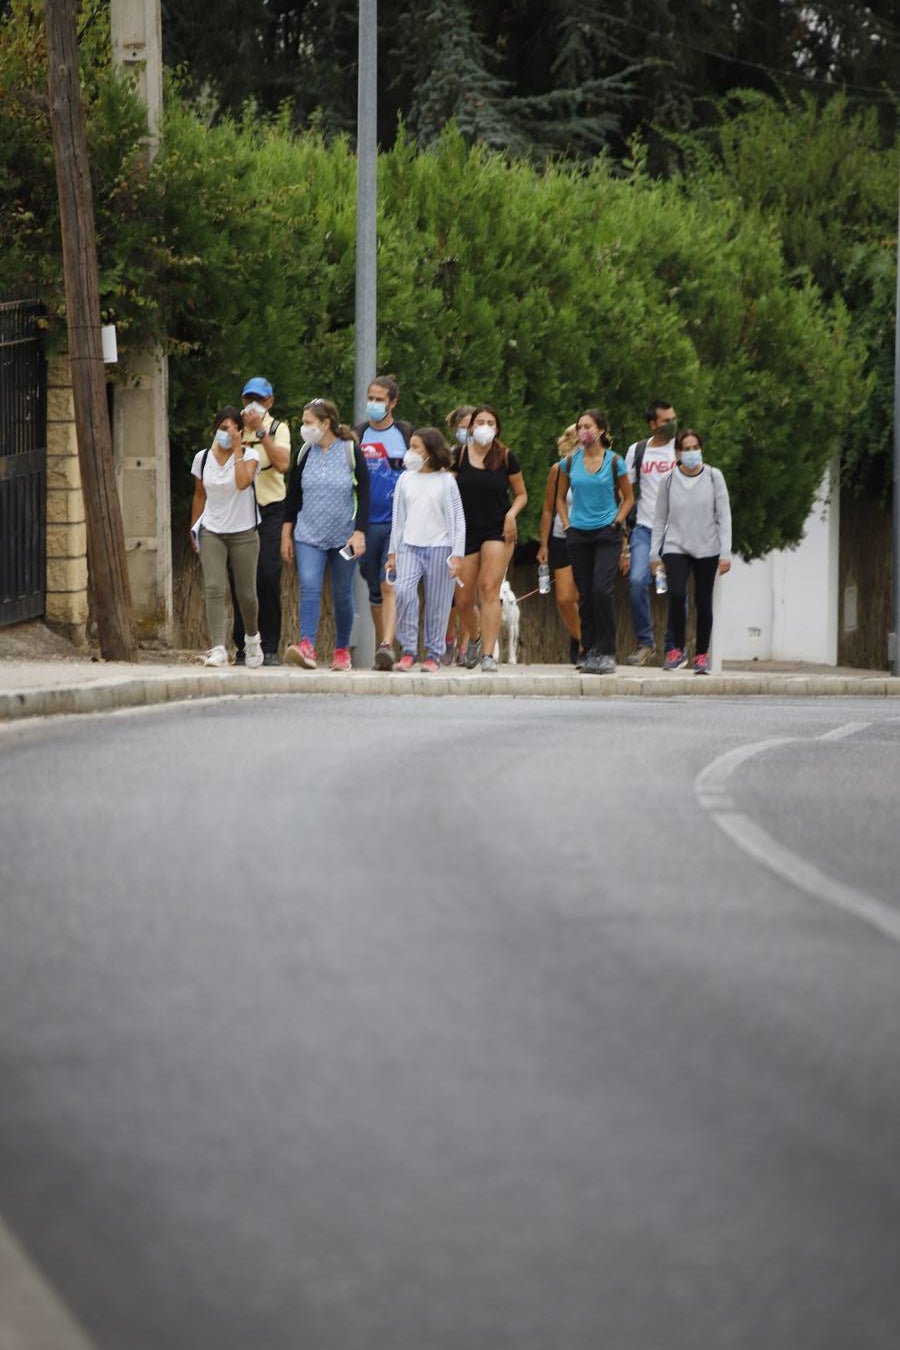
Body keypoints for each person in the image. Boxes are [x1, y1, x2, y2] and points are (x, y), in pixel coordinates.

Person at [280, 397, 369, 671]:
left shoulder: (350, 451)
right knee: (309, 585)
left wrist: (360, 532)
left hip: (344, 536)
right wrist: (286, 532)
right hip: (308, 533)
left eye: (308, 422)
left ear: (325, 423)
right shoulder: (305, 452)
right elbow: (293, 495)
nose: (304, 428)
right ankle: (307, 645)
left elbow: (365, 494)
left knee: (342, 593)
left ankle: (341, 649)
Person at [557, 408, 633, 676]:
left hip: (606, 533)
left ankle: (607, 651)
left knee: (602, 590)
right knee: (586, 595)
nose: (583, 432)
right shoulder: (570, 462)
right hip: (578, 534)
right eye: (580, 427)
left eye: (588, 426)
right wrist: (566, 524)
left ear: (600, 430)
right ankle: (588, 650)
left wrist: (617, 522)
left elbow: (628, 497)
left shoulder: (615, 461)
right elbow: (559, 497)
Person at [651, 428, 732, 675]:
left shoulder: (713, 476)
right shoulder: (669, 480)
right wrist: (654, 554)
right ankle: (676, 650)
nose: (691, 453)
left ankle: (701, 655)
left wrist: (725, 551)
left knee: (703, 601)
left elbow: (724, 515)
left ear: (702, 449)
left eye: (695, 447)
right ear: (677, 453)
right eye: (686, 449)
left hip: (707, 547)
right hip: (676, 545)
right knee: (676, 594)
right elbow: (659, 518)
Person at [453, 404, 527, 674]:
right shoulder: (458, 455)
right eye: (479, 421)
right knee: (462, 599)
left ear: (497, 428)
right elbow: (448, 492)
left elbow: (521, 494)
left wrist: (511, 515)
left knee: (489, 588)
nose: (484, 426)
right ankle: (474, 638)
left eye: (490, 422)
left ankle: (488, 655)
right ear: (470, 426)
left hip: (498, 529)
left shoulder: (506, 457)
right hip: (466, 531)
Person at [190, 407, 264, 668]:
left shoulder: (250, 455)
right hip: (212, 529)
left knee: (246, 594)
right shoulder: (202, 458)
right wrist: (194, 528)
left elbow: (243, 482)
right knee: (213, 587)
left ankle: (252, 638)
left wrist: (237, 449)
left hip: (244, 531)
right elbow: (199, 495)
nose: (227, 434)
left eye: (232, 429)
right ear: (215, 430)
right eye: (222, 429)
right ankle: (218, 647)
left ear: (241, 433)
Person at [386, 428, 465, 672]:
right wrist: (393, 552)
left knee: (439, 604)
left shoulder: (446, 481)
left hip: (441, 549)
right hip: (409, 547)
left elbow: (458, 520)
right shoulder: (404, 479)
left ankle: (433, 653)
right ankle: (408, 650)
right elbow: (398, 518)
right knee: (404, 592)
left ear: (429, 451)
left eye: (415, 447)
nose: (410, 452)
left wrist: (457, 555)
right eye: (410, 447)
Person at [354, 374, 415, 670]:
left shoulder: (405, 435)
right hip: (366, 524)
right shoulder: (358, 434)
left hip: (396, 523)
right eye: (371, 398)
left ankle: (387, 645)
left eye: (380, 399)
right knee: (374, 589)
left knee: (388, 582)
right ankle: (383, 648)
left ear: (393, 402)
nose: (374, 404)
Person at [230, 376, 292, 666]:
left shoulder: (279, 429)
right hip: (239, 510)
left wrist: (260, 432)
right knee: (242, 578)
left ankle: (269, 645)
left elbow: (282, 464)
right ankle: (242, 643)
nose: (252, 404)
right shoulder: (233, 429)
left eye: (259, 399)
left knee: (268, 575)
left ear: (269, 402)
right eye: (247, 398)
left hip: (269, 509)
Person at [623, 399, 679, 665]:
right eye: (666, 420)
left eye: (673, 419)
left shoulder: (680, 449)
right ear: (653, 424)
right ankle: (645, 642)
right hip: (644, 529)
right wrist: (623, 534)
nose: (672, 424)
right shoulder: (638, 450)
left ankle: (673, 647)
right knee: (636, 582)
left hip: (678, 530)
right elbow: (625, 491)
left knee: (678, 591)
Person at [536, 423, 582, 665]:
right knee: (565, 598)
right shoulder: (559, 469)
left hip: (590, 538)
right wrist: (543, 544)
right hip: (561, 536)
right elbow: (547, 508)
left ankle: (587, 644)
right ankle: (581, 638)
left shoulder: (605, 466)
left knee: (584, 595)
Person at [441, 404, 475, 664]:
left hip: (478, 528)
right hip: (451, 528)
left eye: (471, 426)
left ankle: (466, 645)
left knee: (467, 594)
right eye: (462, 427)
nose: (467, 431)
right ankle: (447, 640)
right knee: (451, 593)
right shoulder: (449, 455)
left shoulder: (491, 455)